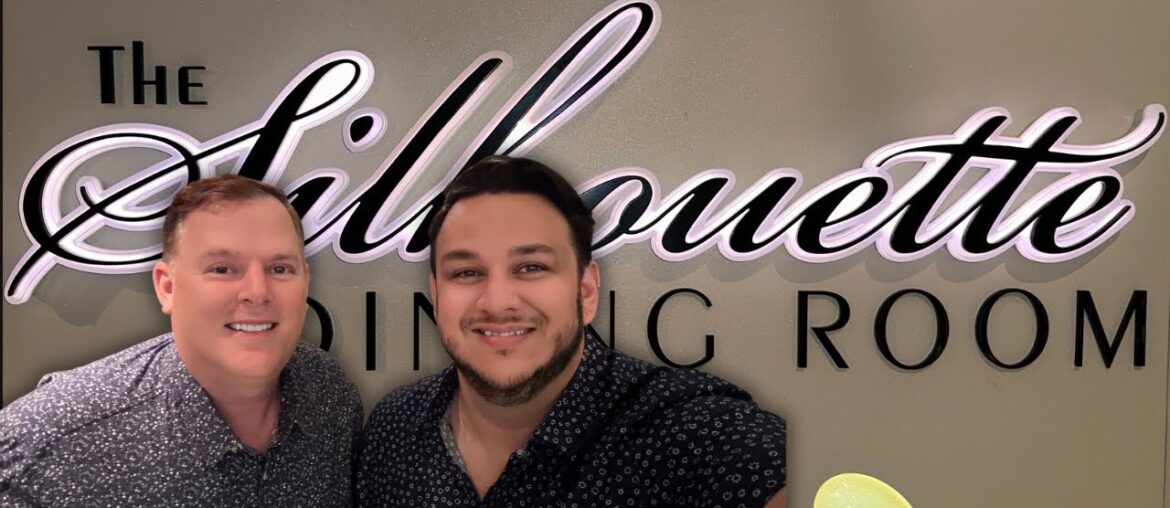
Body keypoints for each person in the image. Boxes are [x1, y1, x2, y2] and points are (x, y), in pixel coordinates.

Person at [357, 156, 787, 507]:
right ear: (436, 295)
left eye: (531, 267)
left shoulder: (688, 433)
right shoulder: (392, 429)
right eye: (466, 272)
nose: (497, 301)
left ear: (586, 291)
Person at [0, 175, 362, 506]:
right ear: (167, 288)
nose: (257, 292)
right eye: (222, 269)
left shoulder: (329, 395)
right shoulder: (46, 443)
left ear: (305, 282)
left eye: (280, 269)